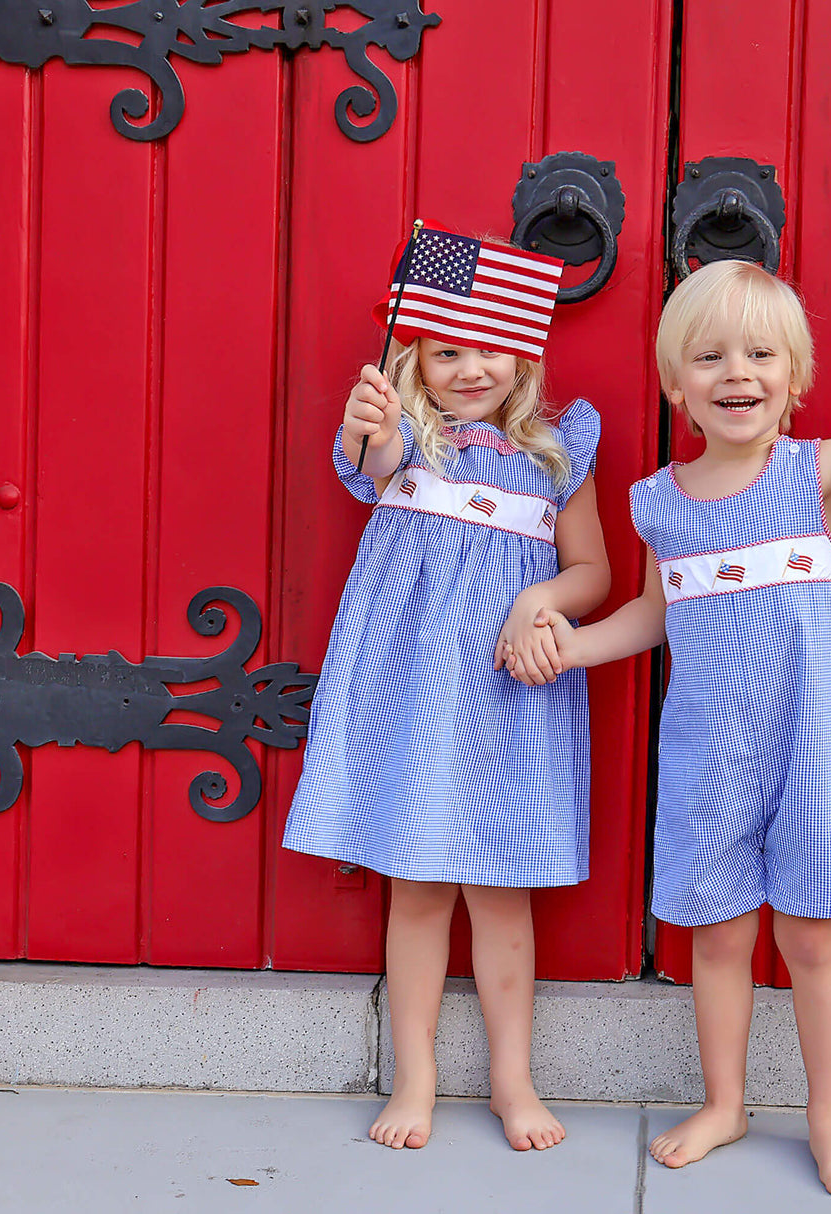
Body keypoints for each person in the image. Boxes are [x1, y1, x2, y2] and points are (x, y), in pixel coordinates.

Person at [527, 258, 831, 1195]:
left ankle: (828, 1121)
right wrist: (573, 644)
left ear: (793, 377)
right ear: (677, 383)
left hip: (809, 750)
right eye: (710, 356)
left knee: (810, 940)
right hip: (709, 754)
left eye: (760, 354)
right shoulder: (657, 503)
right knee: (716, 938)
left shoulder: (820, 472)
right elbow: (652, 615)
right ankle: (725, 1103)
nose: (737, 374)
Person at [283, 228, 609, 1153]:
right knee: (419, 887)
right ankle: (415, 1075)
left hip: (512, 691)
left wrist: (541, 600)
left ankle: (513, 1080)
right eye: (446, 348)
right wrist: (378, 427)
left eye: (490, 347)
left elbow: (592, 569)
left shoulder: (556, 449)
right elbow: (377, 465)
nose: (471, 367)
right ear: (414, 352)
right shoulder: (406, 444)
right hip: (418, 689)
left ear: (524, 352)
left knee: (502, 893)